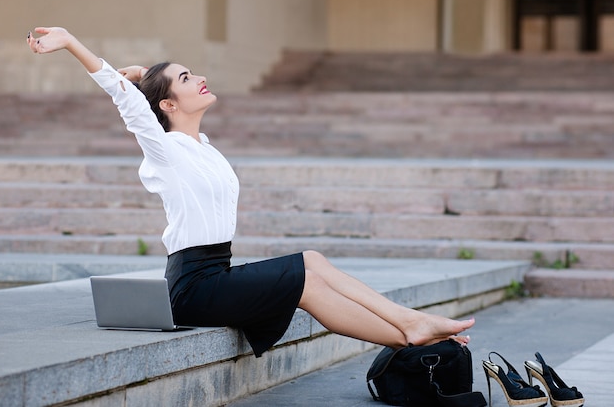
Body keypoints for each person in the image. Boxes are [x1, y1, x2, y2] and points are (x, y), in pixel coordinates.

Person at [27, 27, 474, 357]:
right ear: (167, 105)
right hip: (193, 287)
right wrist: (70, 42)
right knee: (305, 271)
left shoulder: (201, 147)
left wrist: (148, 76)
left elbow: (147, 97)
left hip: (216, 273)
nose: (198, 77)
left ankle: (408, 330)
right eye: (186, 79)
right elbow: (127, 102)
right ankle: (410, 327)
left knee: (311, 268)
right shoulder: (163, 150)